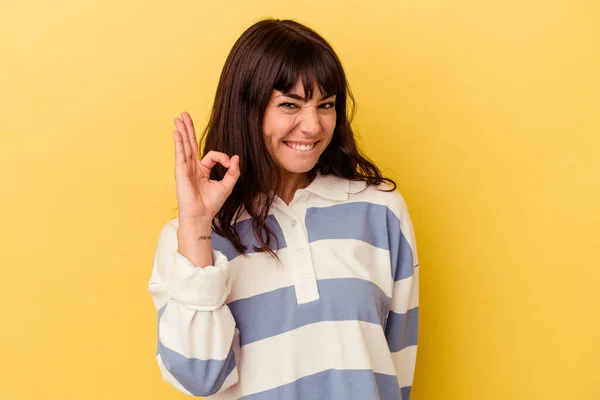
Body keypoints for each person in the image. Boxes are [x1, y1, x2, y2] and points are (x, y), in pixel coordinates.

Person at [148, 18, 420, 400]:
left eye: (325, 105)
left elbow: (397, 366)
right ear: (247, 108)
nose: (312, 125)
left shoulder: (381, 211)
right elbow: (198, 378)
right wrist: (196, 224)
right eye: (290, 105)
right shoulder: (190, 239)